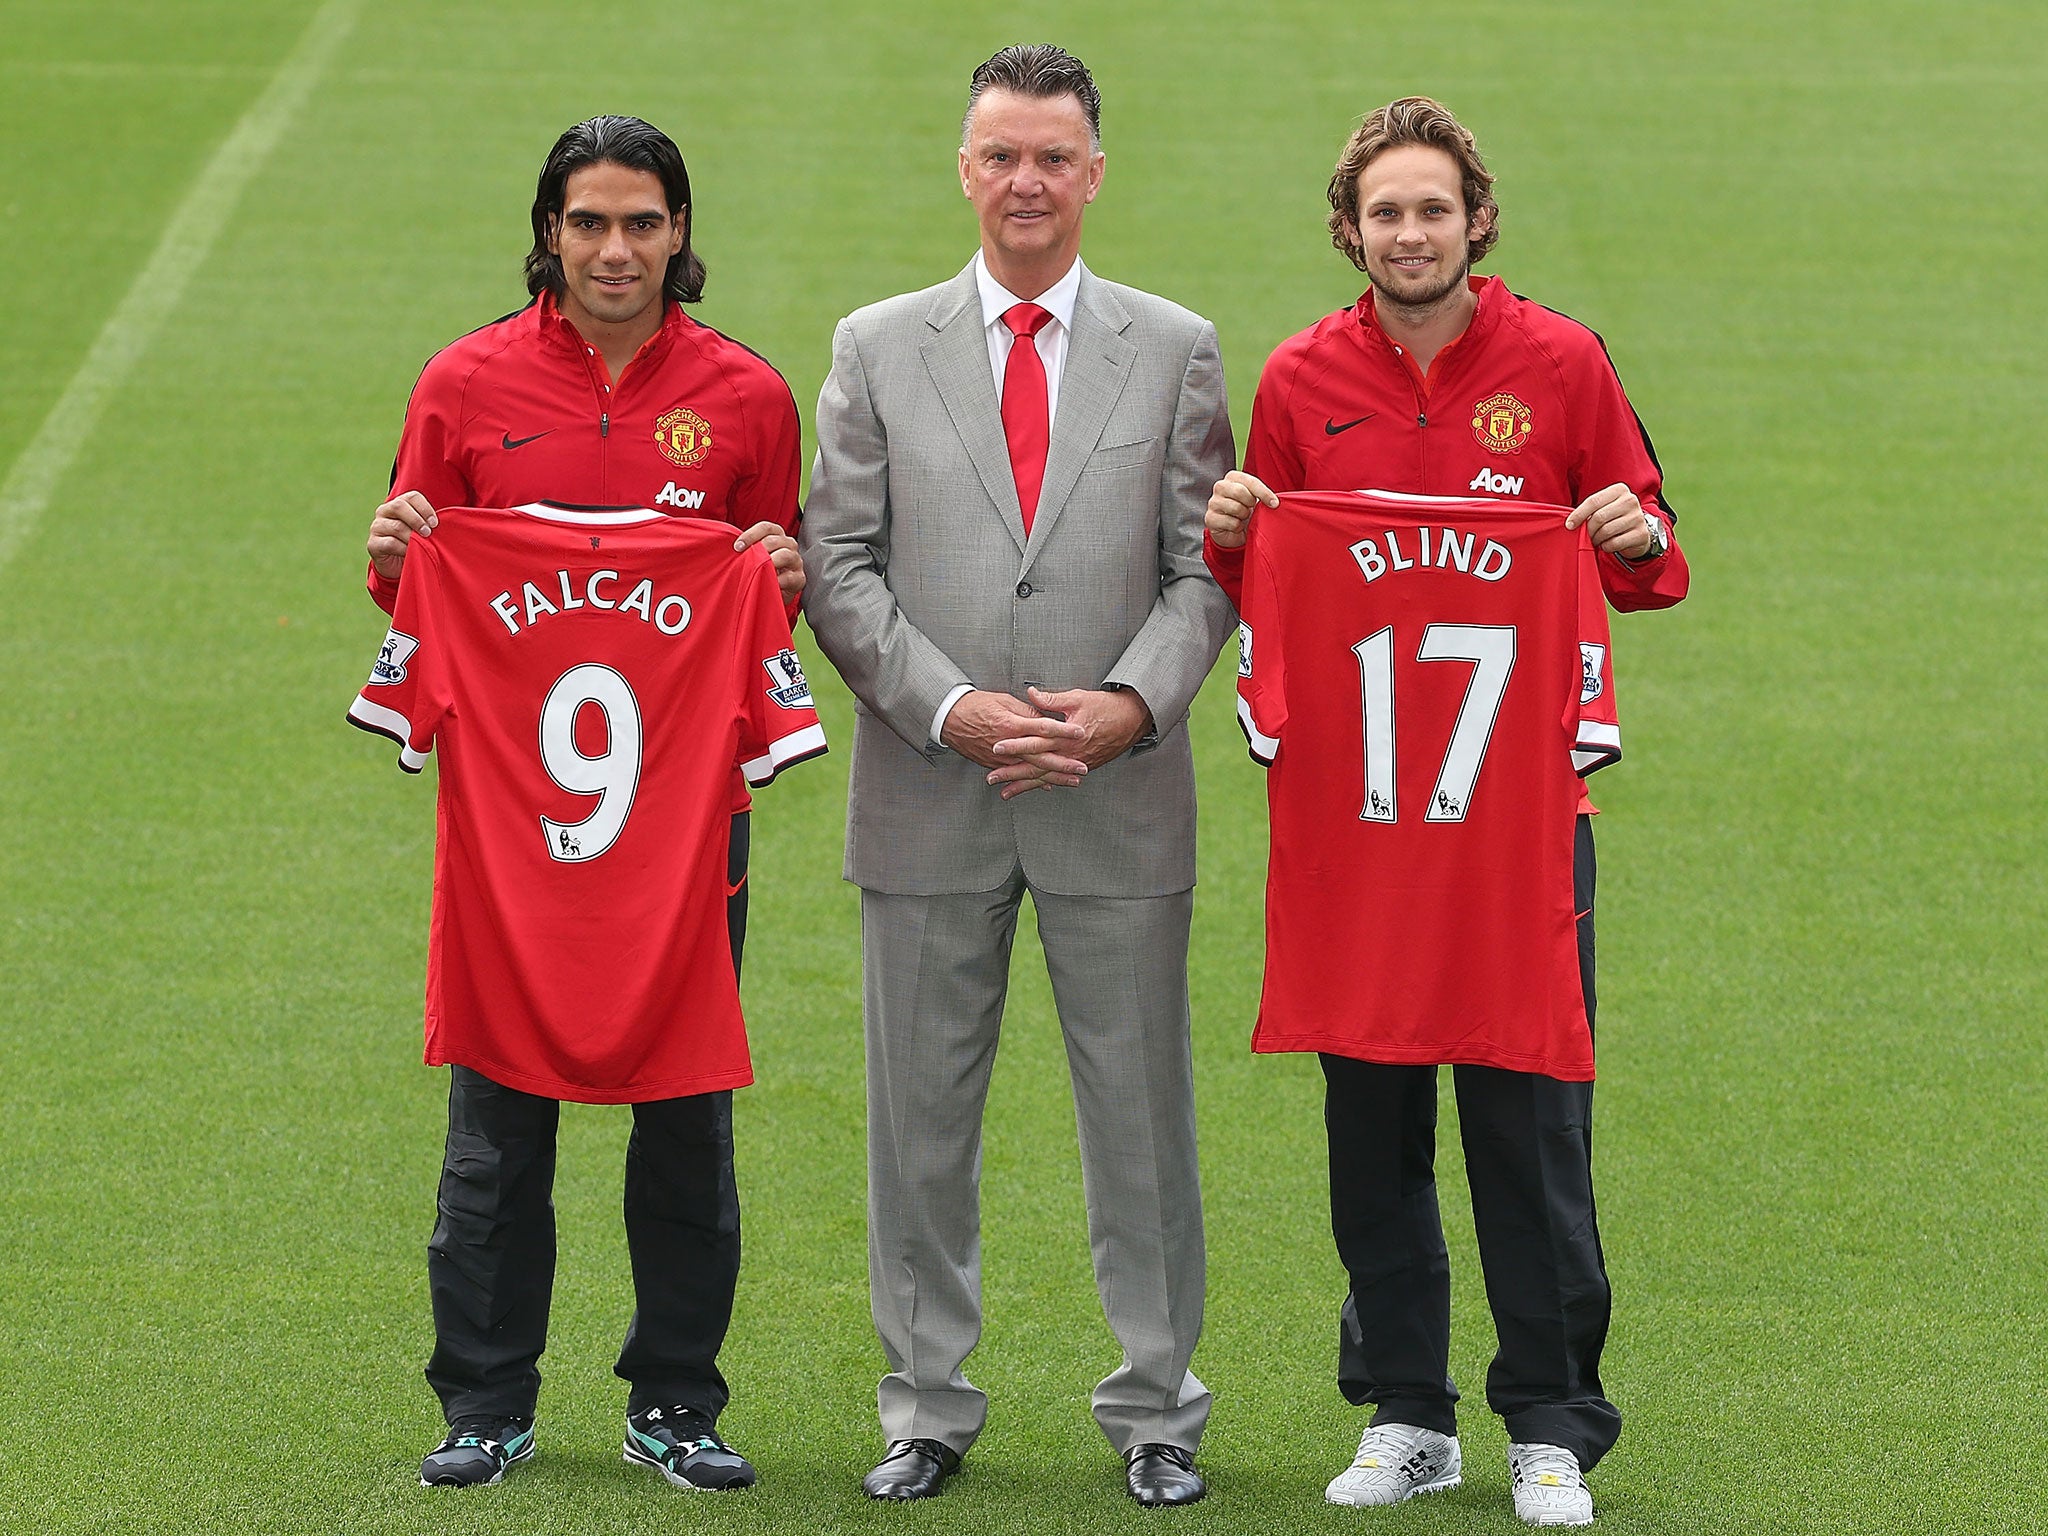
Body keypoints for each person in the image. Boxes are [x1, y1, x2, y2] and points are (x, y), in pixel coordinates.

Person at [1204, 97, 1689, 1528]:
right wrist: (1235, 536)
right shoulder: (1302, 379)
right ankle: (1407, 1411)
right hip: (1358, 831)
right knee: (1372, 1121)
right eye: (1384, 212)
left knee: (1531, 1120)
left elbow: (1655, 559)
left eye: (1433, 208)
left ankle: (1550, 1418)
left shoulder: (1561, 364)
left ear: (1476, 220)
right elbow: (1267, 592)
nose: (1409, 233)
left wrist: (1632, 533)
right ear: (1348, 232)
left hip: (1522, 832)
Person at [799, 43, 1235, 1510]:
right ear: (964, 166)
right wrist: (954, 708)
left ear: (1095, 171)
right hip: (930, 795)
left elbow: (1206, 571)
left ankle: (1158, 1409)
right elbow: (839, 566)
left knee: (1144, 1125)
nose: (1027, 182)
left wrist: (1126, 706)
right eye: (1001, 155)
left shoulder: (1175, 347)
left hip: (1118, 795)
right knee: (916, 1127)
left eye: (1053, 156)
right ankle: (925, 1406)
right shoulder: (874, 344)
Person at [360, 115, 805, 1492]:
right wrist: (396, 560)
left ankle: (678, 1401)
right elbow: (419, 604)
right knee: (496, 1130)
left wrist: (776, 577)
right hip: (510, 848)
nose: (617, 250)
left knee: (687, 1124)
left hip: (684, 846)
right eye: (590, 223)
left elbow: (777, 613)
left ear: (682, 233)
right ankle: (483, 1403)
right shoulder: (464, 384)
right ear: (548, 231)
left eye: (644, 223)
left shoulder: (745, 397)